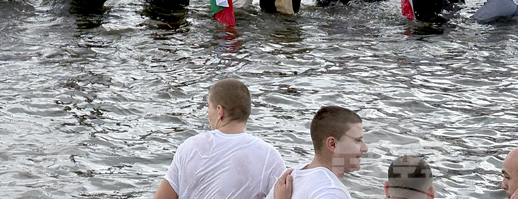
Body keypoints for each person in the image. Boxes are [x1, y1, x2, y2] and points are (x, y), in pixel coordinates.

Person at [152, 78, 284, 199]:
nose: (208, 113)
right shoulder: (269, 156)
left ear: (220, 111)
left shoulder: (190, 147)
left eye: (209, 107)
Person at [267, 106, 368, 199]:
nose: (365, 148)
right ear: (333, 144)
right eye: (357, 140)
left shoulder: (290, 177)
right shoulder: (330, 191)